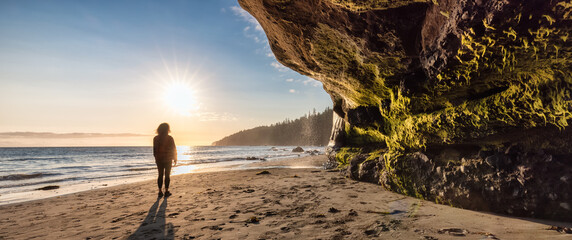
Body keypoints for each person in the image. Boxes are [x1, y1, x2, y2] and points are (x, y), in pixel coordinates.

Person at [153, 123, 177, 198]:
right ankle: (166, 191)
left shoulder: (156, 138)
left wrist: (156, 158)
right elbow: (173, 148)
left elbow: (154, 150)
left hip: (159, 159)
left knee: (160, 175)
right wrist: (175, 158)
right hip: (168, 159)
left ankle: (160, 191)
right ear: (167, 129)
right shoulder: (170, 138)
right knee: (167, 175)